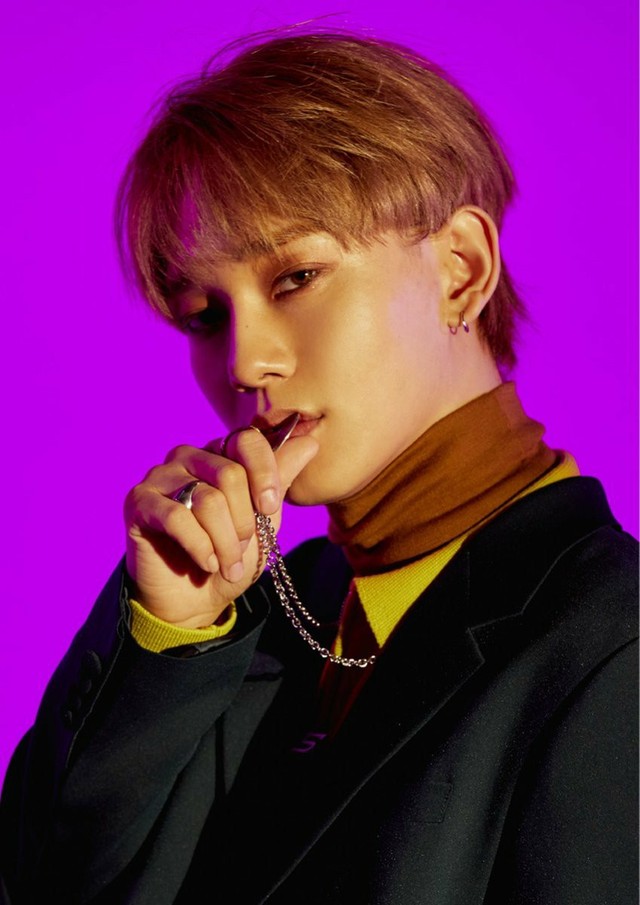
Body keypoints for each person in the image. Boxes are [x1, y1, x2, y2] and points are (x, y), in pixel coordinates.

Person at [0, 27, 637, 905]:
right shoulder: (259, 614)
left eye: (296, 277)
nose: (245, 362)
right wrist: (166, 643)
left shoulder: (613, 649)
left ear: (460, 270)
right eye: (204, 315)